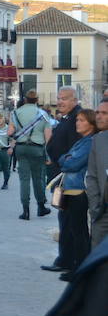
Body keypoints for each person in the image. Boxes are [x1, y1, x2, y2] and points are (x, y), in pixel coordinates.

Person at [43, 86, 81, 272]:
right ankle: (65, 258)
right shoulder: (68, 118)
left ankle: (67, 260)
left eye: (64, 98)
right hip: (61, 175)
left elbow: (75, 149)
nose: (60, 101)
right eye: (59, 98)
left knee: (68, 220)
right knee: (64, 218)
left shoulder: (76, 119)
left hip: (69, 178)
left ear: (75, 99)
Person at [55, 108, 96, 282]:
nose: (77, 123)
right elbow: (63, 158)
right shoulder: (82, 141)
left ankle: (80, 269)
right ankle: (76, 266)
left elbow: (70, 164)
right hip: (71, 189)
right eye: (77, 120)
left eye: (81, 120)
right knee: (74, 230)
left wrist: (67, 159)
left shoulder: (89, 142)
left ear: (91, 123)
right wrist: (67, 159)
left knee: (79, 232)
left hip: (79, 191)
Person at [9, 90, 52, 221]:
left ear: (25, 100)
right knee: (38, 178)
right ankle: (41, 207)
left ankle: (25, 211)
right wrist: (48, 154)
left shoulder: (15, 113)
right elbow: (48, 137)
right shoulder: (43, 114)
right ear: (37, 100)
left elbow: (10, 132)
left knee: (24, 179)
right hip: (37, 149)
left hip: (21, 148)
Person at [86, 99, 108, 248]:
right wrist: (95, 207)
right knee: (97, 257)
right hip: (102, 210)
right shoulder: (97, 140)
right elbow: (92, 176)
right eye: (97, 113)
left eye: (104, 113)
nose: (98, 117)